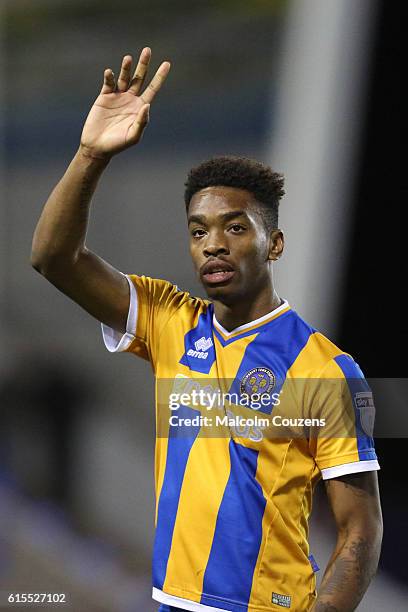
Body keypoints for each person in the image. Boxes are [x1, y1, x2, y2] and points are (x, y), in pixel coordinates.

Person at [31, 49, 383, 612]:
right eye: (198, 232)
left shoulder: (326, 369)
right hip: (172, 601)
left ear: (275, 243)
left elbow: (360, 530)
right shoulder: (171, 320)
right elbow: (53, 258)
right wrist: (90, 155)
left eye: (235, 228)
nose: (213, 244)